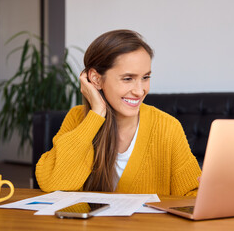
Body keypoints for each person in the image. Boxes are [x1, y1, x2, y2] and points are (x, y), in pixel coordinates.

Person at [36, 29, 201, 196]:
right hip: (91, 223)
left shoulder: (167, 127)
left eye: (145, 77)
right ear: (96, 79)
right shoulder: (78, 118)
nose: (139, 91)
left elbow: (192, 194)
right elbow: (53, 183)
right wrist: (97, 114)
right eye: (128, 79)